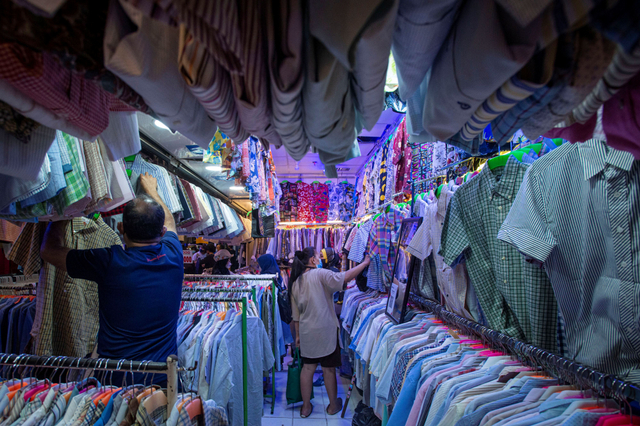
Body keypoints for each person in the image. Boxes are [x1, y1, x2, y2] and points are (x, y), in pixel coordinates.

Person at [40, 173, 183, 386]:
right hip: (163, 379)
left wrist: (65, 212)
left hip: (116, 381)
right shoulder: (173, 255)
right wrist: (151, 188)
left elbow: (49, 251)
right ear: (161, 231)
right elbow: (170, 221)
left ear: (120, 228)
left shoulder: (108, 261)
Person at [290, 247, 370, 418]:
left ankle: (305, 408)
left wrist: (297, 335)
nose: (320, 259)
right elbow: (344, 277)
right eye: (318, 256)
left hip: (306, 331)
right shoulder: (321, 274)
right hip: (325, 329)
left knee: (308, 368)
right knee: (328, 369)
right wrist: (364, 263)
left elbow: (295, 314)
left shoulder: (295, 282)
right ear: (312, 260)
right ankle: (333, 406)